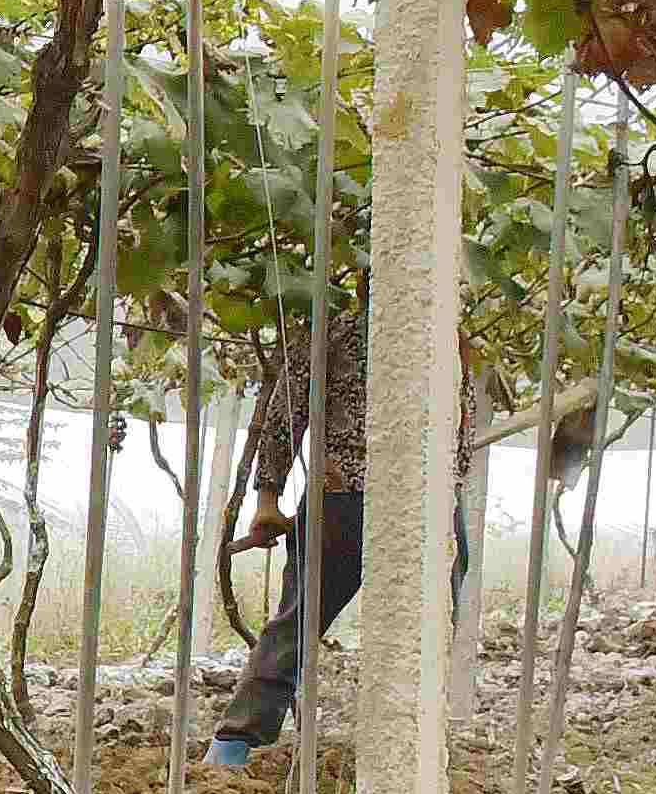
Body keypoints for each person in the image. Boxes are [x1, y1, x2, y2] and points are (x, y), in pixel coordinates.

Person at [210, 283, 600, 766]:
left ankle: (236, 746)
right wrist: (269, 495)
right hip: (395, 505)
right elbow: (291, 409)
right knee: (423, 630)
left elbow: (287, 411)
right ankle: (404, 749)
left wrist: (268, 497)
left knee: (303, 621)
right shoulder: (437, 339)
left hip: (368, 501)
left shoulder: (357, 333)